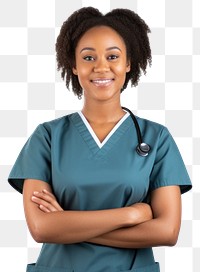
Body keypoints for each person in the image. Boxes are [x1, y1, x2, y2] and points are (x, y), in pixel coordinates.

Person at [8, 7, 192, 272]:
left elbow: (166, 231)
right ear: (74, 64)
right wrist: (130, 215)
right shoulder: (47, 137)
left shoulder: (157, 138)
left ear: (128, 63)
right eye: (88, 57)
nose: (101, 66)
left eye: (113, 56)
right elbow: (41, 227)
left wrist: (67, 226)